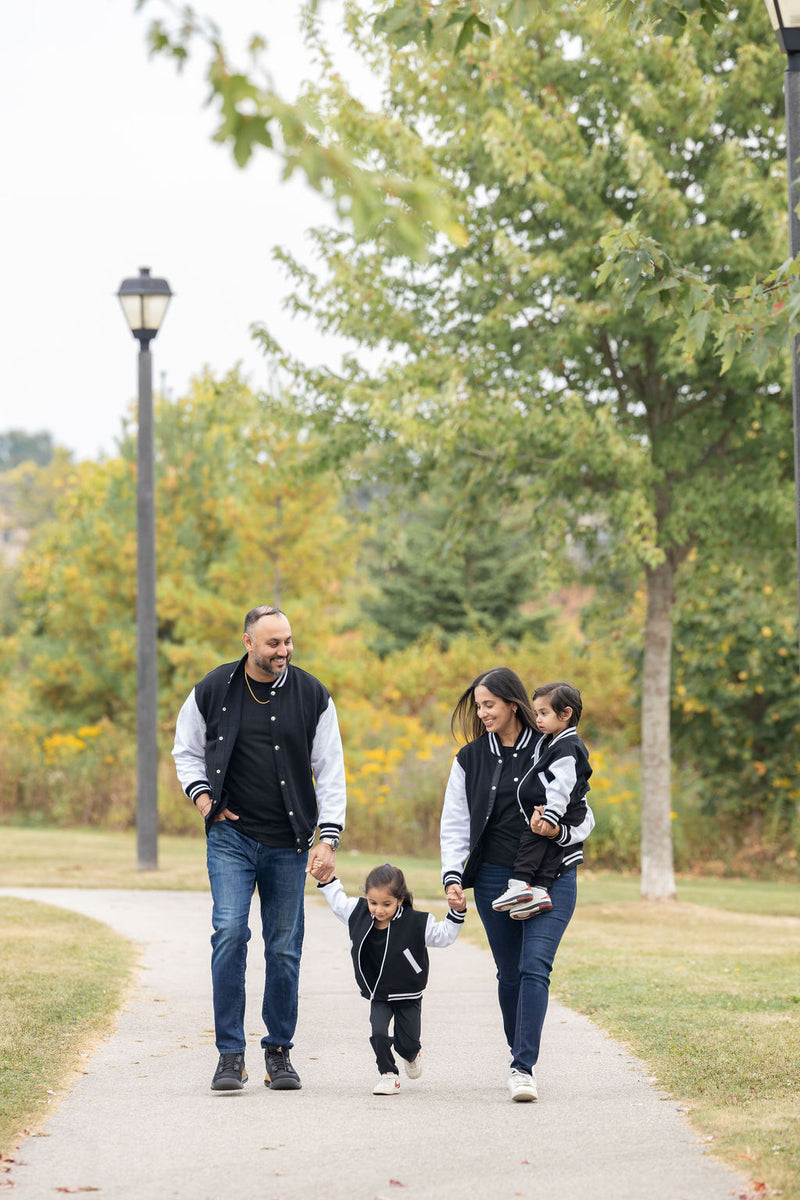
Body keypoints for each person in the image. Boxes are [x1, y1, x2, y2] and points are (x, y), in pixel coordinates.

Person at [172, 605, 346, 1093]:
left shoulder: (312, 694)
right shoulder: (213, 689)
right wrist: (205, 799)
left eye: (288, 641)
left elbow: (330, 769)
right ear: (248, 642)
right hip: (230, 837)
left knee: (284, 948)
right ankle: (231, 1055)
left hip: (288, 843)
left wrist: (327, 838)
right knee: (229, 933)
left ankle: (279, 1052)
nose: (283, 651)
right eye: (273, 643)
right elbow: (185, 749)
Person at [440, 666, 595, 1103]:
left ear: (513, 703)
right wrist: (453, 876)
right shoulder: (469, 759)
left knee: (534, 967)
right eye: (478, 707)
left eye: (489, 705)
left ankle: (523, 1067)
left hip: (552, 876)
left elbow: (585, 813)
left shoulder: (553, 746)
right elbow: (454, 823)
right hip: (493, 879)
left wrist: (558, 834)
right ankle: (517, 1055)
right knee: (509, 973)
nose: (482, 713)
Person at [319, 862, 466, 1094]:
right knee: (378, 1032)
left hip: (408, 992)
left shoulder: (417, 923)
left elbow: (444, 936)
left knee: (405, 1043)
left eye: (386, 904)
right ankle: (388, 1074)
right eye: (373, 902)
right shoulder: (358, 913)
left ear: (400, 899)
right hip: (379, 992)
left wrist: (457, 911)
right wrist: (327, 881)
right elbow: (338, 903)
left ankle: (411, 1054)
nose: (378, 910)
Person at [492, 682, 592, 920]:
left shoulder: (567, 748)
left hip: (563, 809)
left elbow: (561, 786)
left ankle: (520, 883)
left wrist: (550, 816)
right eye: (537, 713)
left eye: (544, 713)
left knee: (533, 837)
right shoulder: (552, 742)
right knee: (549, 848)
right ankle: (540, 891)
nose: (538, 719)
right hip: (562, 810)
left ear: (566, 714)